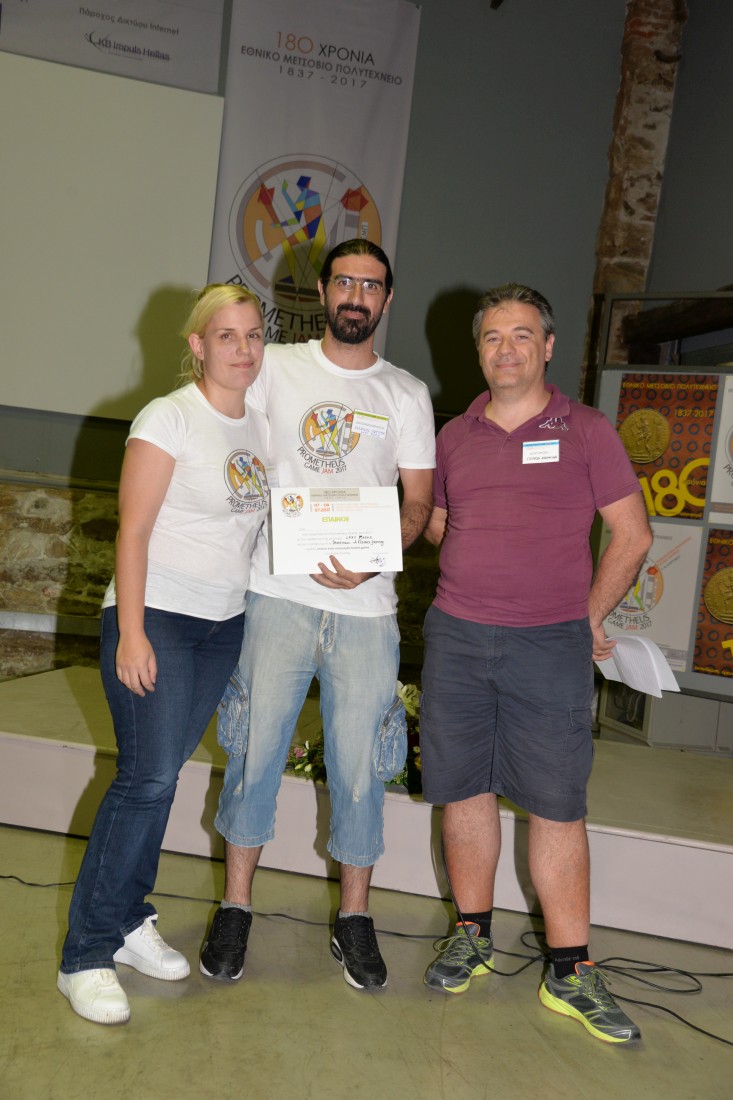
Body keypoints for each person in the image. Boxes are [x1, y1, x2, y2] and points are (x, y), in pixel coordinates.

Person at [199, 239, 435, 990]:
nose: (356, 296)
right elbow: (228, 443)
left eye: (371, 285)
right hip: (277, 596)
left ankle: (354, 918)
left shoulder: (406, 393)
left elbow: (419, 502)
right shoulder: (275, 367)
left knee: (361, 765)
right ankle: (235, 906)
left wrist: (377, 553)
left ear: (386, 299)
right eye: (344, 282)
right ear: (324, 291)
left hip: (365, 608)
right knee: (254, 751)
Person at [420, 283, 652, 1043]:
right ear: (478, 350)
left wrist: (586, 617)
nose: (506, 349)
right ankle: (472, 934)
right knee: (463, 790)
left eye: (522, 335)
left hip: (548, 644)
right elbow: (442, 524)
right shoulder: (454, 435)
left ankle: (571, 969)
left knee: (556, 802)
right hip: (457, 637)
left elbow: (632, 535)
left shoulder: (586, 430)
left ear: (548, 347)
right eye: (492, 337)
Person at [57, 284, 270, 1025]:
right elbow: (134, 531)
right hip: (159, 620)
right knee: (144, 780)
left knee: (162, 776)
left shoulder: (257, 424)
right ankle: (85, 956)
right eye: (227, 335)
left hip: (222, 626)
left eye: (253, 335)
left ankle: (127, 920)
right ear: (198, 345)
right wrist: (134, 631)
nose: (243, 348)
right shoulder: (168, 417)